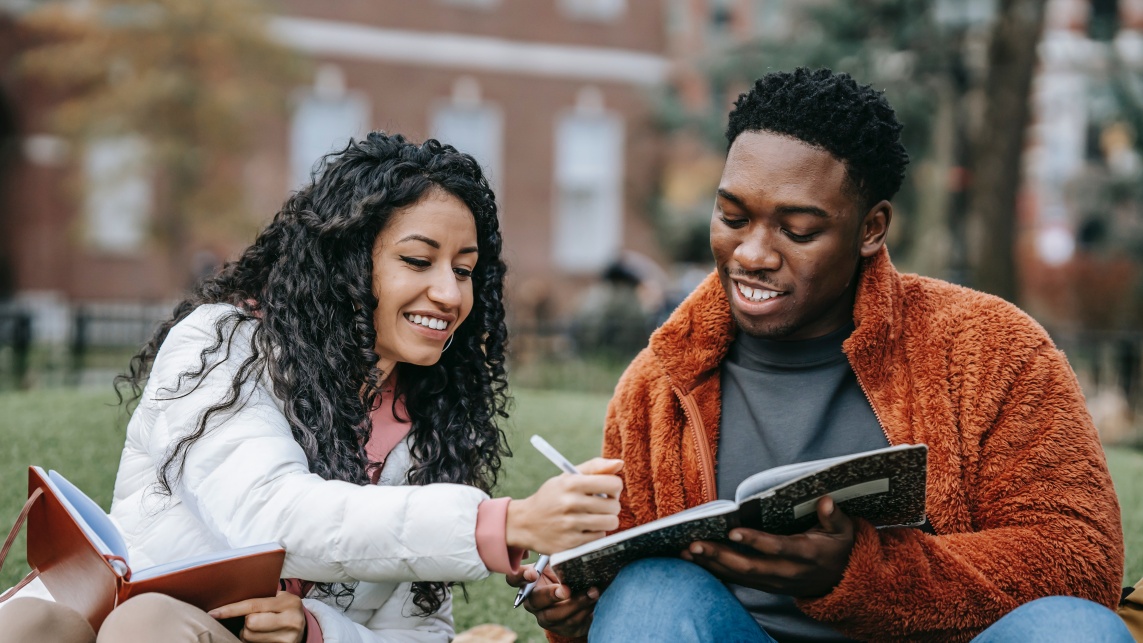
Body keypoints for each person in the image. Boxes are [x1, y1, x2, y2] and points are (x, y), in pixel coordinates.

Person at [509, 68, 1130, 642]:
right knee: (647, 594)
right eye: (731, 216)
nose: (752, 253)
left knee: (1076, 630)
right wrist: (574, 604)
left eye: (798, 230)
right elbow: (626, 598)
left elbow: (1078, 558)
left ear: (871, 228)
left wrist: (862, 572)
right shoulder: (660, 382)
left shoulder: (991, 348)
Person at [0, 132, 623, 643]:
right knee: (37, 623)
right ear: (348, 260)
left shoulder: (430, 421)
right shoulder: (223, 346)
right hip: (112, 615)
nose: (450, 293)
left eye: (464, 270)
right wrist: (503, 524)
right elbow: (270, 515)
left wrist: (316, 630)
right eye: (417, 260)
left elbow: (417, 633)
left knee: (148, 626)